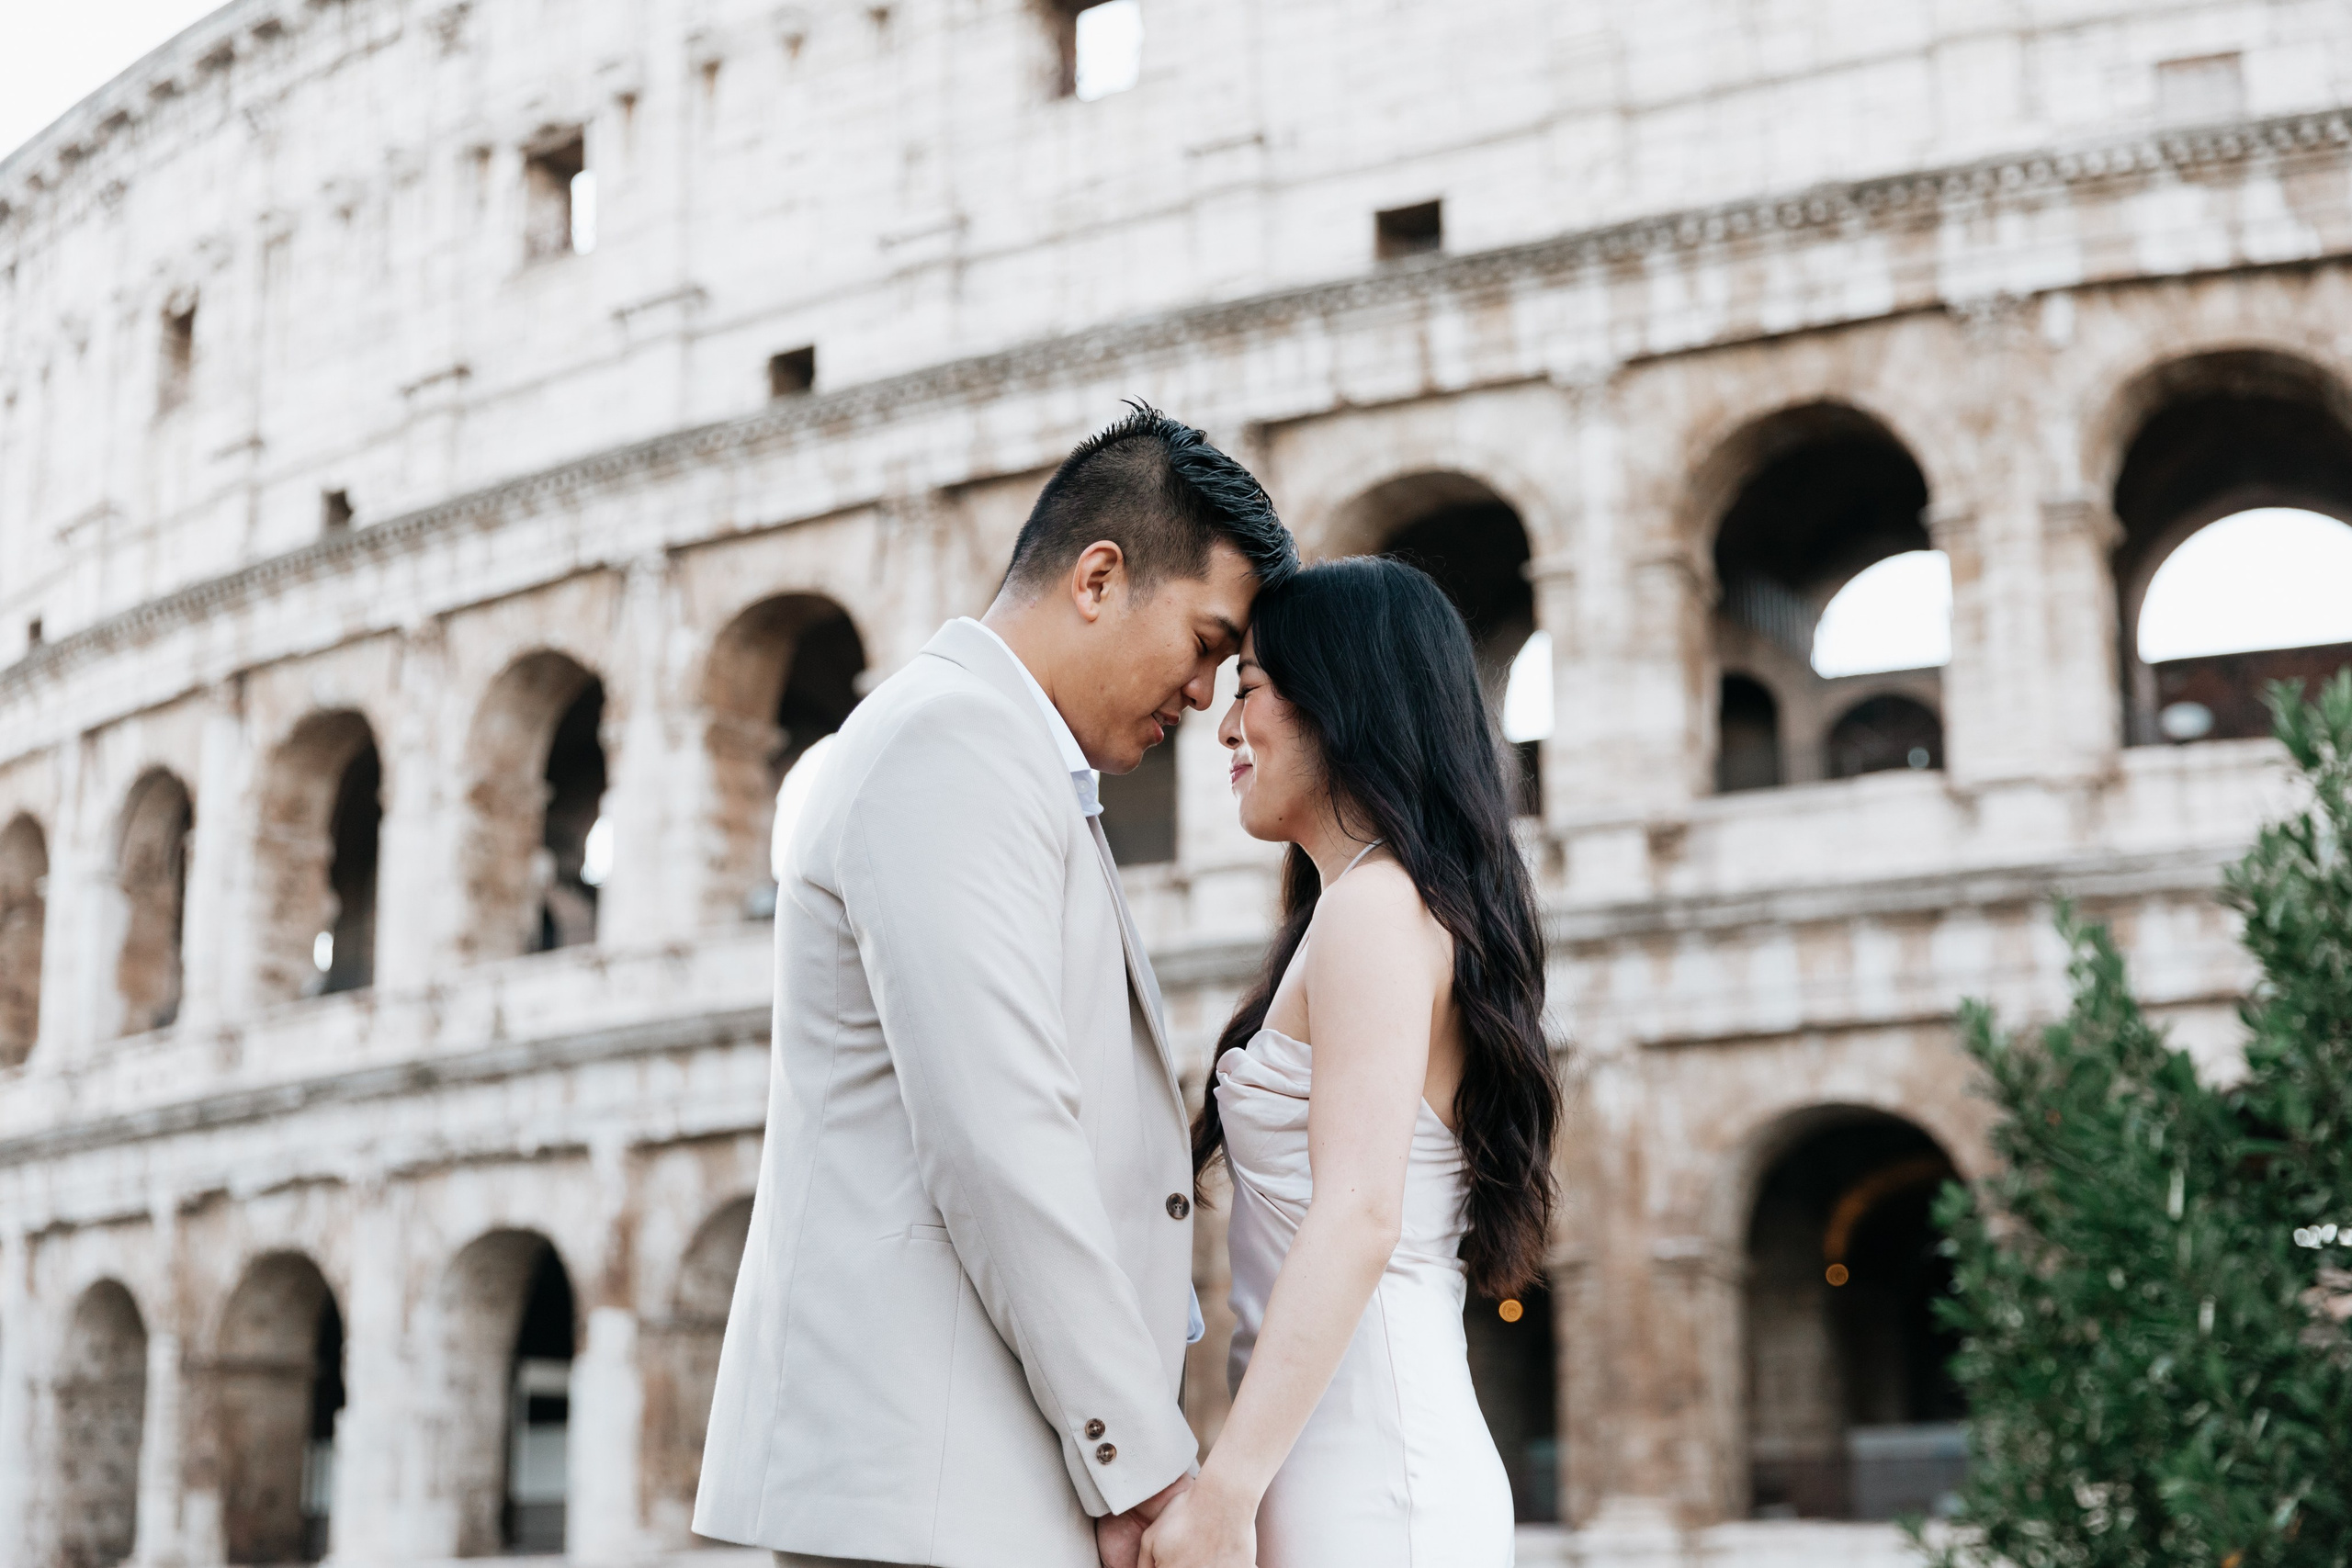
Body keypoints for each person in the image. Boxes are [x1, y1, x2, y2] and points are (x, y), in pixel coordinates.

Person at [692, 403, 1296, 1568]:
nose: (1204, 693)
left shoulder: (999, 751)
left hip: (955, 1475)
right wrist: (1142, 1466)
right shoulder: (953, 742)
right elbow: (999, 1134)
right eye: (1204, 642)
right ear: (1099, 578)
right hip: (930, 1484)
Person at [1142, 557, 1561, 1568]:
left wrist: (1224, 1491)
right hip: (1346, 1456)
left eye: (1248, 687)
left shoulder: (1376, 907)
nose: (1225, 727)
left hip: (1370, 1474)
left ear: (1340, 702)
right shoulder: (1368, 904)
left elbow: (1360, 1214)